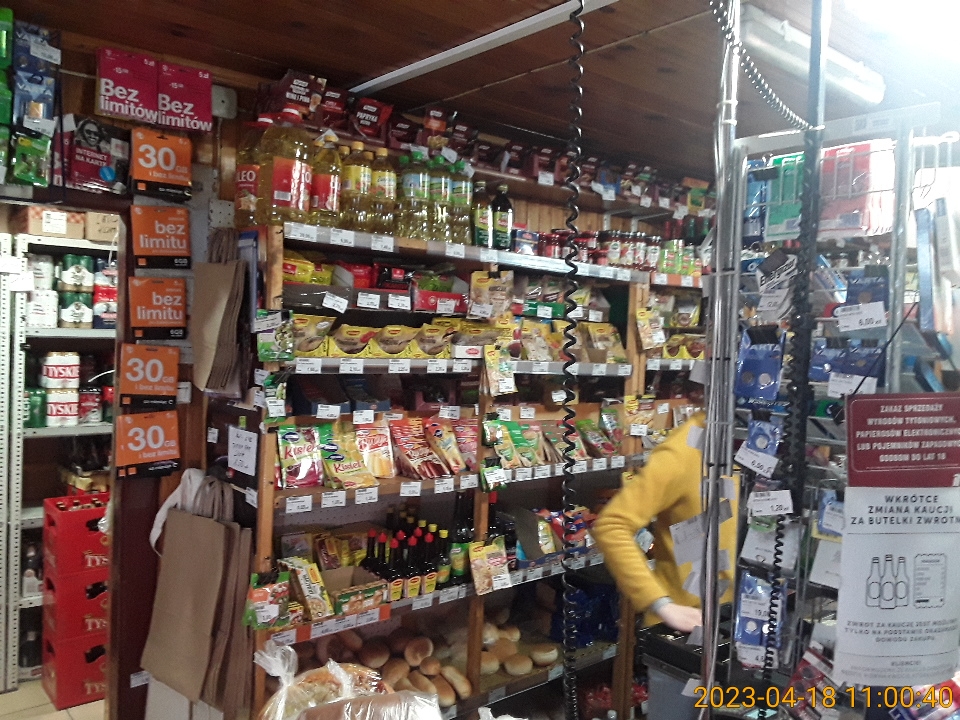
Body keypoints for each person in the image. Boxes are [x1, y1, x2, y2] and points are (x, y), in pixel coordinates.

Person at [592, 411, 738, 633]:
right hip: (691, 623)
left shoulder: (760, 445)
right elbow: (612, 525)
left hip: (742, 615)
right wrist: (661, 604)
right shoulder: (684, 450)